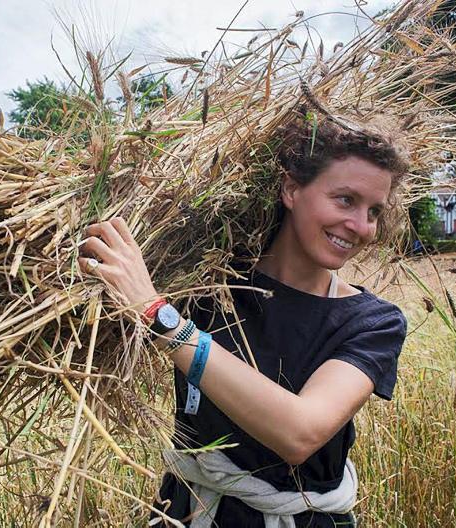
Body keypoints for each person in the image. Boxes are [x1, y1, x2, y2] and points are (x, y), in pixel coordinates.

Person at [78, 117, 409, 527]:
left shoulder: (373, 323)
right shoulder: (205, 283)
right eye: (345, 200)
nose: (360, 226)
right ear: (291, 189)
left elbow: (300, 433)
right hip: (188, 513)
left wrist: (158, 317)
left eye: (373, 211)